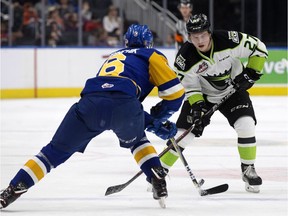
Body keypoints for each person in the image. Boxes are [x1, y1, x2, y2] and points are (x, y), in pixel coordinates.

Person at [0, 24, 185, 209]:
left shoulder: (114, 56)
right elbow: (175, 93)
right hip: (125, 106)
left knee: (52, 153)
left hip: (89, 104)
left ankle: (13, 188)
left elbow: (108, 98)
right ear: (149, 43)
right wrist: (158, 118)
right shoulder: (151, 55)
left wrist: (152, 121)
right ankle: (156, 175)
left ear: (125, 42)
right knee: (137, 140)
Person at [160, 14, 268, 193]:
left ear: (210, 33)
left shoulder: (228, 40)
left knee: (246, 125)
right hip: (203, 96)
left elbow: (259, 48)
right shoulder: (184, 59)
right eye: (195, 37)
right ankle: (159, 171)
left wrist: (252, 72)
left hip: (233, 91)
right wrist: (196, 107)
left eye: (203, 35)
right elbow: (190, 87)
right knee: (184, 135)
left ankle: (248, 169)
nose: (200, 40)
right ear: (189, 37)